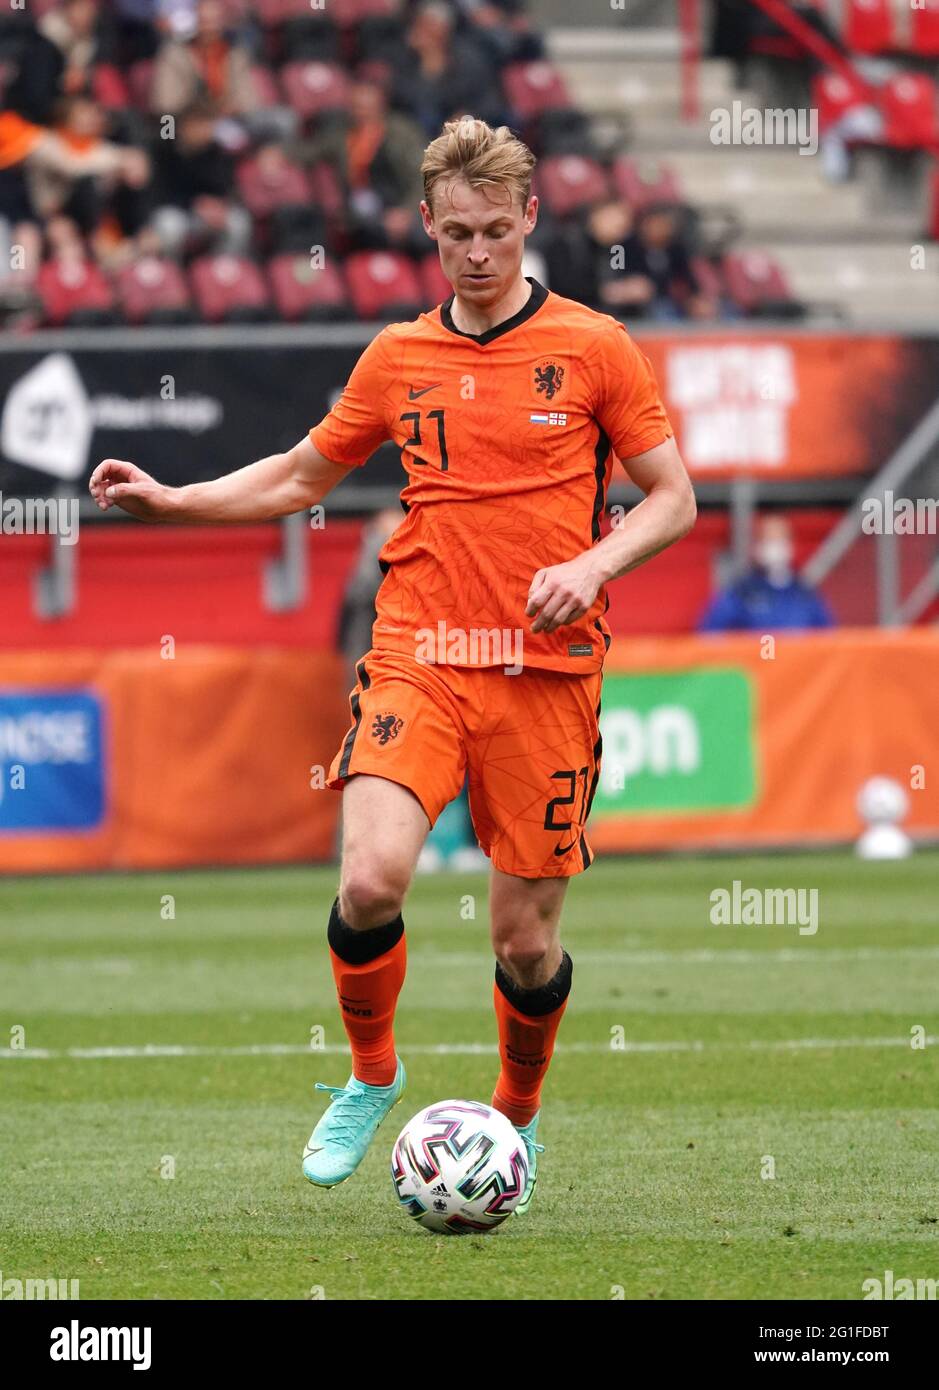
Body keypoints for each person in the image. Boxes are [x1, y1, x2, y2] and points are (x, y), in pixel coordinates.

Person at [89, 116, 696, 1214]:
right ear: (424, 224)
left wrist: (594, 564)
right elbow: (296, 477)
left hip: (548, 672)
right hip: (419, 650)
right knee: (369, 880)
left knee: (524, 943)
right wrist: (176, 497)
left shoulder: (597, 347)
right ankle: (375, 1073)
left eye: (496, 232)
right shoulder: (397, 356)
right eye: (455, 232)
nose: (476, 252)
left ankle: (514, 1115)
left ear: (531, 223)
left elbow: (674, 498)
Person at [698, 514, 833, 632]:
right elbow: (711, 634)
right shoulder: (742, 592)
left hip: (796, 660)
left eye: (780, 539)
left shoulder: (804, 593)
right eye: (768, 539)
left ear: (791, 544)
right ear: (757, 546)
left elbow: (829, 637)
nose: (775, 545)